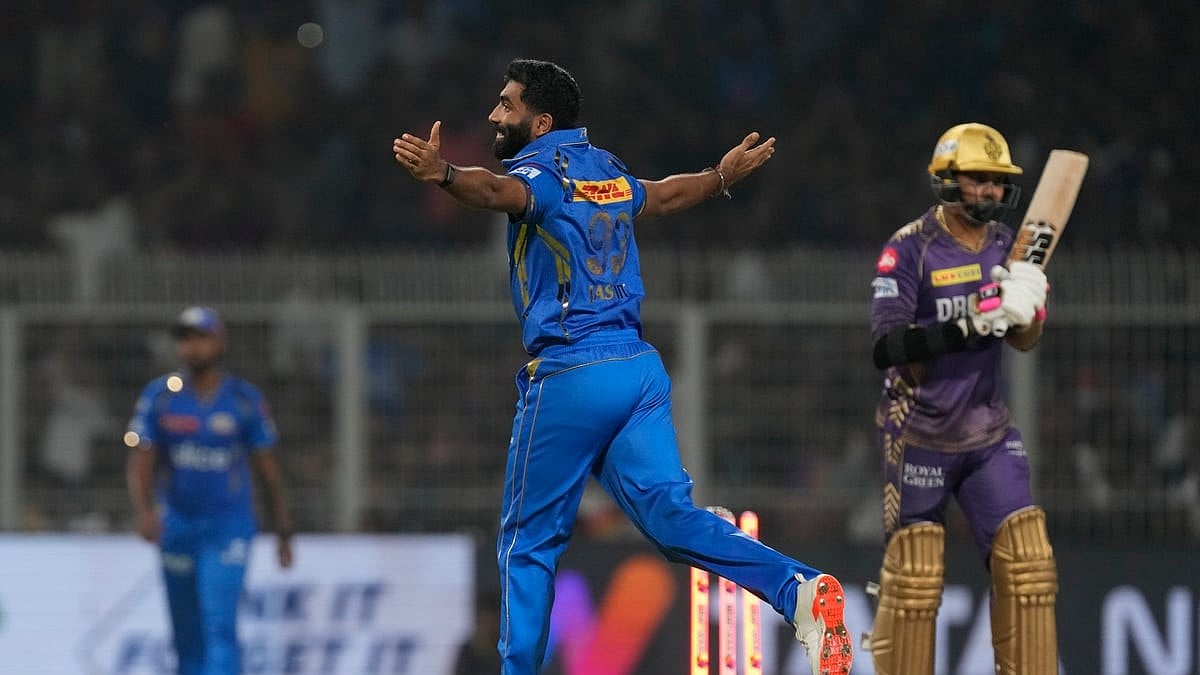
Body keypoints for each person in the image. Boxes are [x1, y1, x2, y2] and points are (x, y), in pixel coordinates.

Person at [392, 58, 853, 675]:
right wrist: (720, 176)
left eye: (507, 104)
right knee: (672, 519)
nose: (494, 114)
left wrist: (444, 174)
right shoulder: (605, 169)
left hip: (570, 374)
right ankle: (797, 591)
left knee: (528, 544)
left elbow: (497, 192)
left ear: (541, 122)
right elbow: (664, 196)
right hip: (637, 371)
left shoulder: (539, 173)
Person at [865, 122, 1058, 674]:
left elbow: (1022, 339)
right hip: (919, 433)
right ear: (947, 179)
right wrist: (971, 323)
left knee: (1028, 564)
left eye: (998, 181)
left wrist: (1028, 311)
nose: (991, 190)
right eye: (979, 178)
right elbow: (887, 347)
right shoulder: (909, 248)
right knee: (915, 578)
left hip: (988, 434)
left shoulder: (1007, 244)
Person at [125, 306, 294, 675]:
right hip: (178, 526)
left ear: (220, 343)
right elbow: (141, 458)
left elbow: (268, 469)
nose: (192, 347)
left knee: (219, 623)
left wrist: (283, 529)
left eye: (200, 338)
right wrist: (145, 511)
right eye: (185, 339)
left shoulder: (243, 399)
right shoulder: (161, 395)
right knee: (187, 633)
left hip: (227, 527)